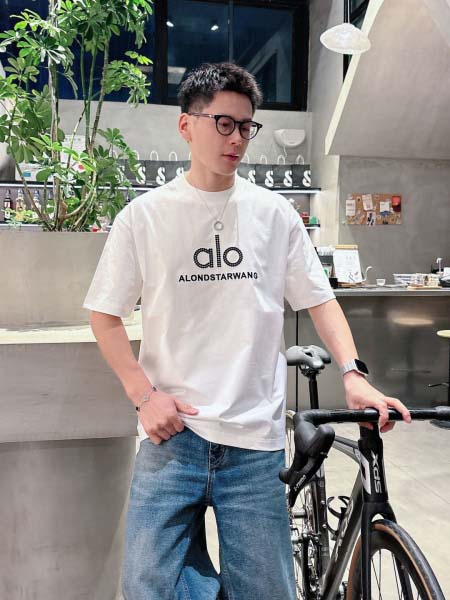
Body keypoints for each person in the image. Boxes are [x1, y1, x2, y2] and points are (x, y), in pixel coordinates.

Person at [84, 62, 411, 600]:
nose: (236, 138)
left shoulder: (274, 214)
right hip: (173, 437)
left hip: (254, 442)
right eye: (223, 123)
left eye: (245, 126)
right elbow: (105, 314)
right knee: (146, 586)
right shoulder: (144, 217)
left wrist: (354, 374)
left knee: (267, 591)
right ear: (186, 125)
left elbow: (319, 299)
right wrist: (142, 396)